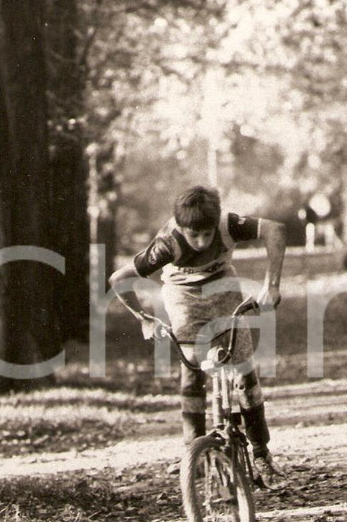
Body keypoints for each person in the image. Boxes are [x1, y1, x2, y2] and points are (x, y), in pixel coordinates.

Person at [109, 185, 287, 487]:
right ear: (181, 227)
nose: (203, 242)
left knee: (245, 371)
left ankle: (261, 452)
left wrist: (272, 285)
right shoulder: (168, 244)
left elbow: (275, 231)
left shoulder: (227, 224)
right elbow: (119, 278)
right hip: (184, 294)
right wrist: (144, 319)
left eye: (207, 234)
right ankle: (193, 453)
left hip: (222, 287)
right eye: (195, 235)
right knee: (192, 367)